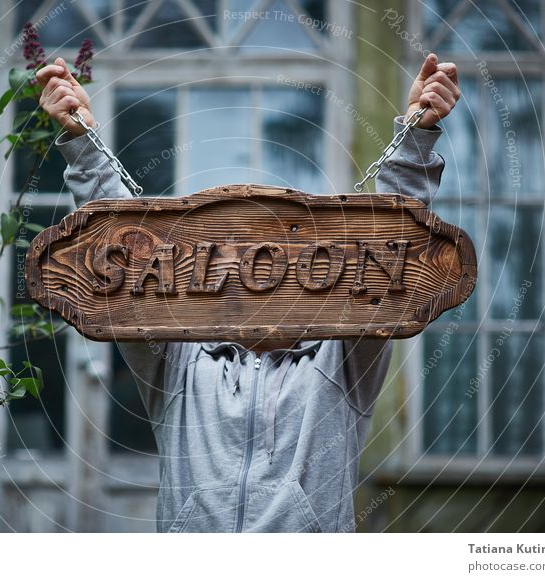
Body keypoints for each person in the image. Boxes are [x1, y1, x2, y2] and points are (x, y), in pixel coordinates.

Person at [36, 53, 460, 532]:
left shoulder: (340, 364)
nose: (260, 278)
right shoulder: (177, 365)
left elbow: (388, 248)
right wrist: (82, 142)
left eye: (278, 260)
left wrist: (416, 136)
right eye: (240, 261)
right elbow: (122, 253)